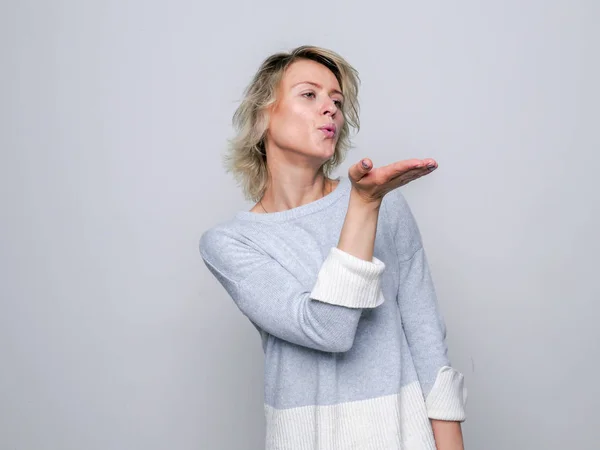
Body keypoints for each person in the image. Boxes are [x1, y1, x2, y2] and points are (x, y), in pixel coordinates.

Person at [199, 45, 467, 449]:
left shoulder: (384, 203)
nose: (331, 110)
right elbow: (329, 330)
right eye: (310, 95)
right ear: (263, 115)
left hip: (405, 436)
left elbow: (427, 339)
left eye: (337, 101)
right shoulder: (232, 243)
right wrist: (363, 205)